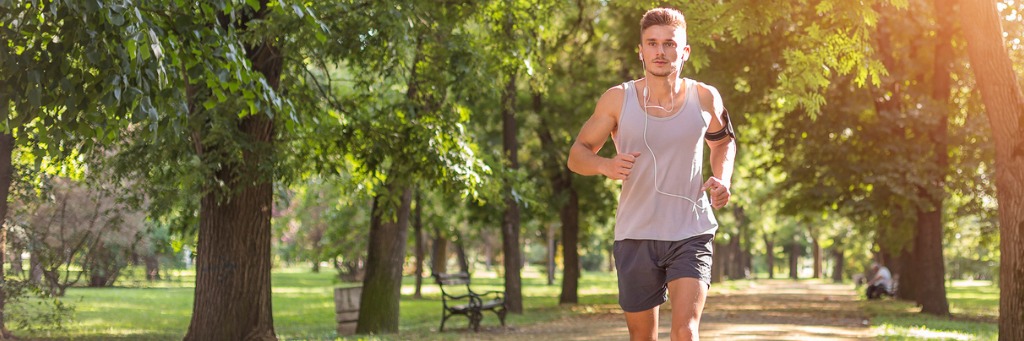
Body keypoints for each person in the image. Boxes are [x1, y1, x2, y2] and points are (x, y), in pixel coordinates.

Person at [567, 7, 736, 341]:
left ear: (684, 51)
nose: (661, 51)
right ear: (640, 50)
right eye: (652, 43)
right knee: (642, 337)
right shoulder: (617, 100)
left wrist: (723, 179)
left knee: (686, 332)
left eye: (670, 44)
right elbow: (577, 154)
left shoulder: (705, 97)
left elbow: (724, 142)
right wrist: (605, 166)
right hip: (636, 233)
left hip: (691, 229)